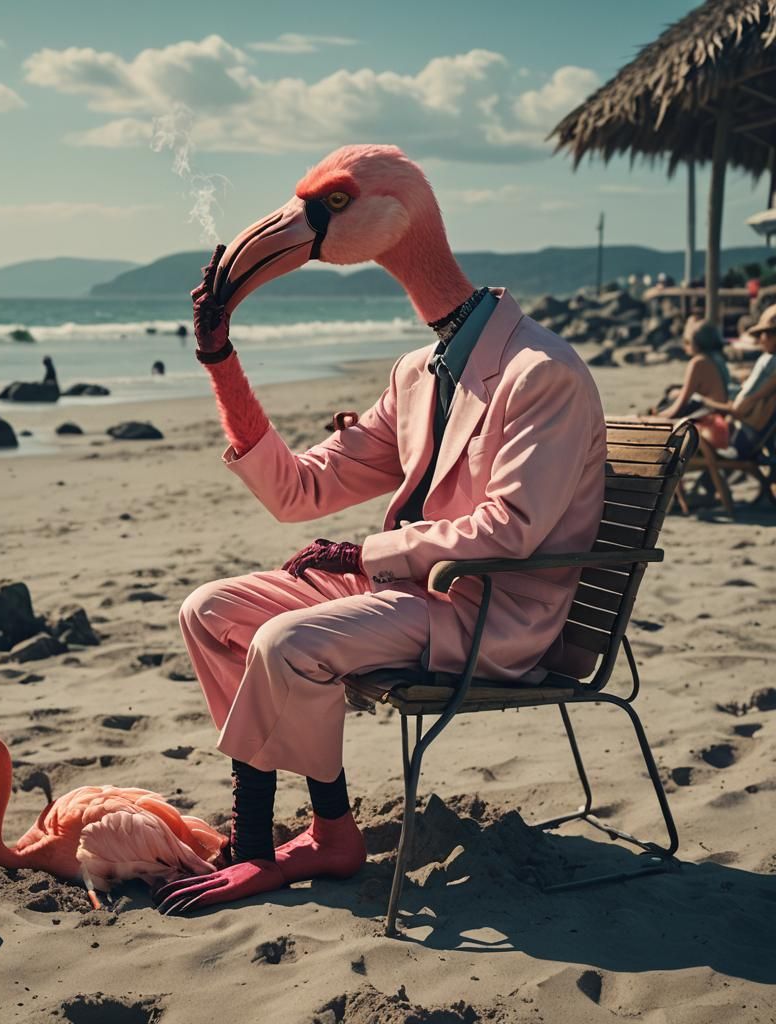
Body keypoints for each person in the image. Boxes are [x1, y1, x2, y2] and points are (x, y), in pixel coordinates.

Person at [158, 147, 606, 917]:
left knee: (287, 642)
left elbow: (512, 529)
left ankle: (264, 842)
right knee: (210, 611)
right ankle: (328, 830)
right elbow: (298, 492)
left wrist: (362, 552)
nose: (306, 222)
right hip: (414, 593)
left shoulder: (541, 373)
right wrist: (219, 358)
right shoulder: (419, 373)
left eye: (331, 205)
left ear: (400, 217)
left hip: (490, 612)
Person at [699, 303, 776, 457]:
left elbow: (742, 407)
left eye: (765, 334)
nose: (761, 339)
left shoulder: (770, 363)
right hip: (746, 432)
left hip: (743, 438)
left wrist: (707, 403)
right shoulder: (768, 361)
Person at [650, 317, 733, 448]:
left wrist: (654, 417)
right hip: (720, 415)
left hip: (708, 419)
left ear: (697, 343)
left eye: (688, 341)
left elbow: (679, 405)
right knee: (673, 392)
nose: (685, 345)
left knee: (667, 403)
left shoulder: (698, 362)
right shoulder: (718, 358)